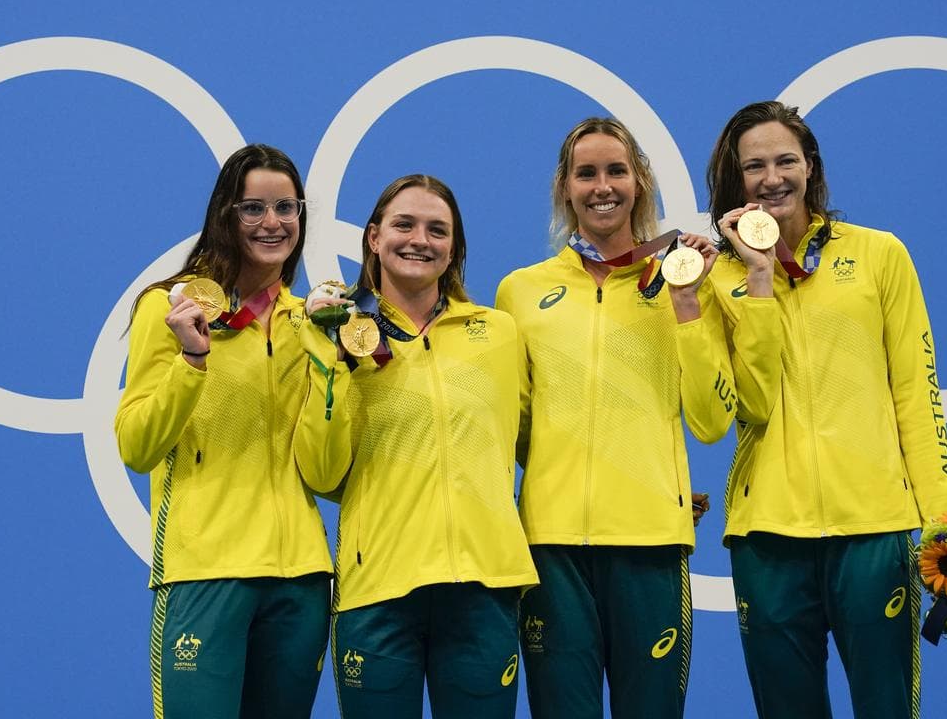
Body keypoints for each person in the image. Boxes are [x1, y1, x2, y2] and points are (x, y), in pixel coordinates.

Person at [494, 117, 782, 718]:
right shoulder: (521, 292)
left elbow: (711, 420)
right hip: (552, 549)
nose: (603, 186)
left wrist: (684, 306)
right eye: (587, 173)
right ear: (564, 188)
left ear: (641, 181)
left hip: (651, 545)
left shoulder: (685, 281)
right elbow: (511, 428)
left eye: (617, 171)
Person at [703, 101, 947, 719]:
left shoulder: (880, 256)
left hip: (872, 530)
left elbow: (917, 401)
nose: (772, 178)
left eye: (786, 160)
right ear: (734, 182)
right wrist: (758, 281)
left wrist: (945, 529)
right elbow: (745, 407)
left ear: (810, 167)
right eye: (754, 166)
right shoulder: (714, 280)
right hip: (767, 537)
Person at [293, 175, 538, 718]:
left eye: (437, 230)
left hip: (484, 584)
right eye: (404, 225)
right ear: (374, 238)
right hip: (378, 588)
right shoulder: (336, 329)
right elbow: (321, 471)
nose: (419, 240)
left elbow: (539, 440)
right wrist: (329, 362)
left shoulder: (498, 333)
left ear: (454, 251)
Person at [115, 144, 332, 719]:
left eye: (286, 207)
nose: (272, 223)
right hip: (205, 572)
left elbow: (328, 464)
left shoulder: (307, 321)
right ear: (224, 215)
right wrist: (190, 361)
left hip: (301, 578)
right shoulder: (171, 308)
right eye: (252, 208)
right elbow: (136, 446)